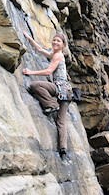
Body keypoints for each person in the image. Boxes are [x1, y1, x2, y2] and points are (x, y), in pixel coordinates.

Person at [22, 30, 72, 159]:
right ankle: (63, 149)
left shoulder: (58, 55)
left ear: (63, 45)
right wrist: (29, 38)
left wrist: (30, 72)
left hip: (60, 89)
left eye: (58, 41)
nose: (55, 42)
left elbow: (49, 71)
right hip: (66, 92)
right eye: (54, 40)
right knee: (61, 121)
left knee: (35, 85)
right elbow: (39, 49)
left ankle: (51, 104)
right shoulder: (54, 54)